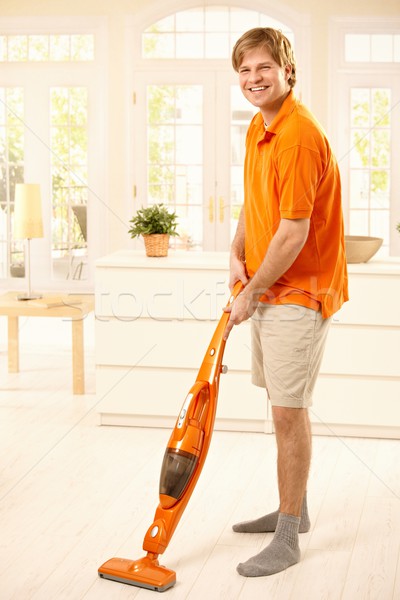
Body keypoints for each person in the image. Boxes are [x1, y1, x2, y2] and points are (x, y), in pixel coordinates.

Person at [223, 27, 348, 578]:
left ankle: (288, 534)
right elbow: (256, 202)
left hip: (299, 291)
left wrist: (250, 290)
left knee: (287, 413)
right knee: (279, 402)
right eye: (244, 71)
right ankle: (291, 511)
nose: (253, 79)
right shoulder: (259, 126)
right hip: (268, 287)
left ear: (287, 71)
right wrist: (235, 251)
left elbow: (294, 232)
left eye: (263, 68)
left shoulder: (296, 135)